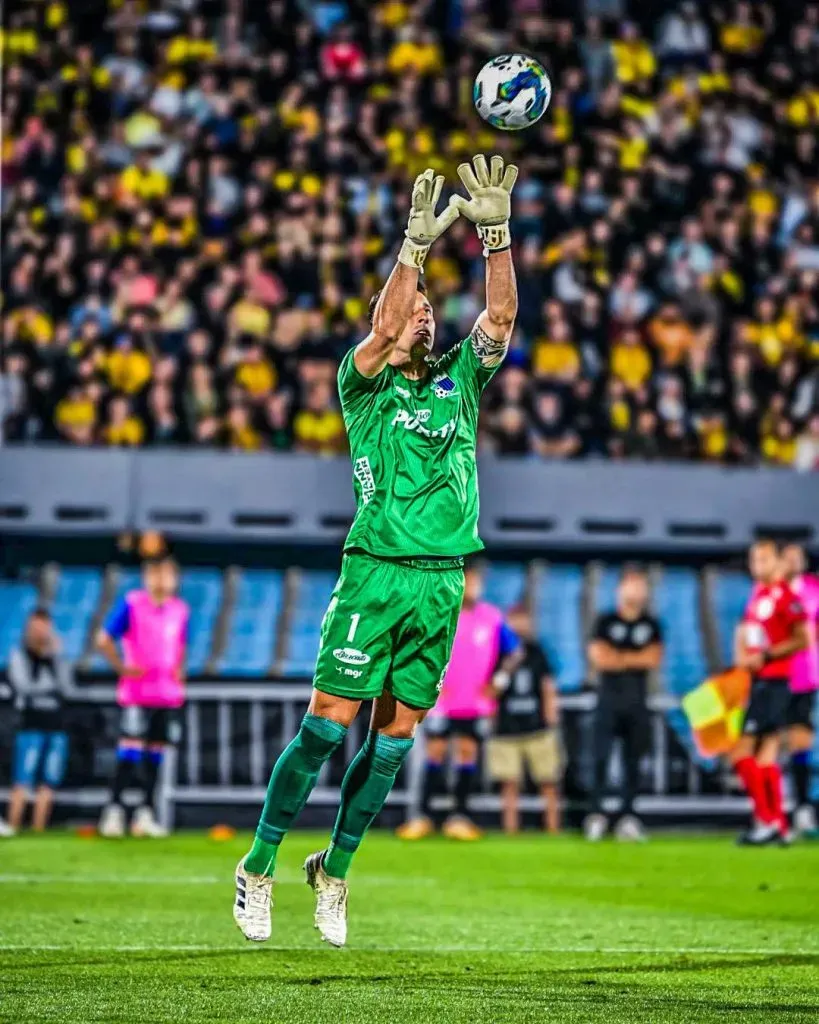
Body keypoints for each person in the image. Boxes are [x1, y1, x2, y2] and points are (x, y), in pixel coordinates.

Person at [233, 155, 519, 948]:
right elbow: (387, 328)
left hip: (441, 580)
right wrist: (412, 252)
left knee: (392, 743)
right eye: (413, 308)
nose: (424, 317)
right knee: (327, 726)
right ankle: (258, 864)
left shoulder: (457, 381)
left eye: (429, 309)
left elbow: (499, 319)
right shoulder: (361, 386)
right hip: (375, 574)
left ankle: (334, 871)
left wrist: (495, 237)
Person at [396, 562, 519, 841]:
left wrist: (499, 681)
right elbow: (416, 649)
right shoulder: (439, 612)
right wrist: (429, 683)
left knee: (467, 752)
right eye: (467, 581)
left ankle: (460, 817)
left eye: (476, 582)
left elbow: (514, 653)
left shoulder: (491, 617)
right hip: (443, 701)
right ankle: (423, 817)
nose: (472, 587)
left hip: (475, 703)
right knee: (435, 752)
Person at [96, 553, 189, 839]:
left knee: (155, 756)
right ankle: (114, 811)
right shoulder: (133, 604)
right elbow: (103, 639)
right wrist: (121, 667)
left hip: (166, 695)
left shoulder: (180, 610)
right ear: (147, 577)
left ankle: (145, 813)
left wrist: (178, 672)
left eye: (167, 574)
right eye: (155, 573)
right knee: (129, 753)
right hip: (137, 694)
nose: (161, 579)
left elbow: (180, 645)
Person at [732, 540, 808, 845]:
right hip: (760, 681)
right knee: (765, 756)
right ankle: (777, 824)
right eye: (754, 560)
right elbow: (748, 634)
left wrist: (767, 656)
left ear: (777, 562)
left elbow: (803, 639)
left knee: (743, 751)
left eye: (764, 560)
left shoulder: (786, 597)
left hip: (776, 681)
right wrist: (745, 657)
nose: (757, 566)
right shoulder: (759, 595)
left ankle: (768, 820)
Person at [584, 567, 664, 842]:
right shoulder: (605, 621)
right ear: (620, 590)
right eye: (631, 585)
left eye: (641, 586)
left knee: (634, 761)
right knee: (600, 758)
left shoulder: (651, 624)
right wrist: (634, 658)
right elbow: (600, 658)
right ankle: (596, 815)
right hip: (608, 701)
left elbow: (653, 658)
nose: (636, 591)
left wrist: (618, 658)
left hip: (637, 703)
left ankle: (628, 817)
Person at [486, 603, 562, 834]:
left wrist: (551, 718)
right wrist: (507, 669)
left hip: (537, 727)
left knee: (548, 781)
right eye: (515, 620)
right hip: (507, 728)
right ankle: (511, 831)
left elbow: (547, 685)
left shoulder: (537, 651)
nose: (519, 625)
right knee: (509, 784)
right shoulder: (497, 653)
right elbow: (490, 692)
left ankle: (553, 830)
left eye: (523, 619)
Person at [2, 608, 71, 835]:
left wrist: (57, 657)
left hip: (56, 725)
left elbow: (67, 687)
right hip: (29, 724)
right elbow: (23, 686)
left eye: (44, 627)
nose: (40, 632)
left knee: (48, 781)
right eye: (36, 627)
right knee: (22, 778)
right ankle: (12, 826)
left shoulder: (57, 658)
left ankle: (38, 830)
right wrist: (50, 687)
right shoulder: (20, 654)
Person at [779, 544, 819, 837]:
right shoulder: (771, 592)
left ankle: (802, 806)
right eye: (788, 558)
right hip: (774, 675)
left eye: (797, 558)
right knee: (771, 741)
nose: (793, 562)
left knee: (800, 740)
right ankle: (774, 811)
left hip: (804, 675)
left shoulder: (814, 590)